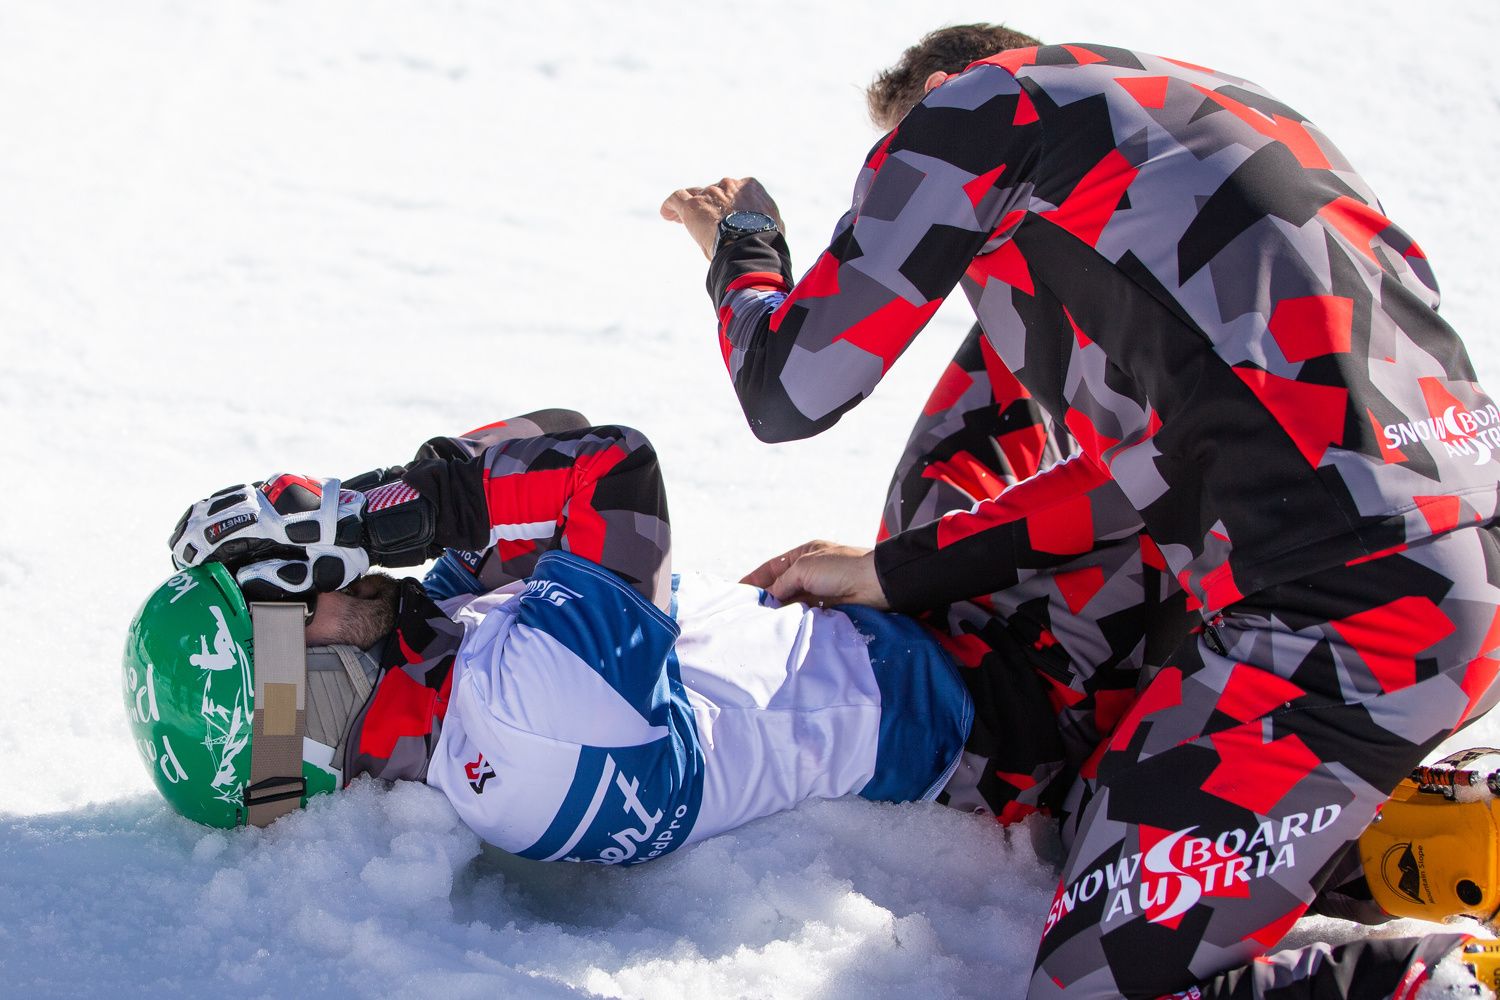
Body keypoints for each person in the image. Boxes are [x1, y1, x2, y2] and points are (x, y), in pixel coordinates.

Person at [660, 23, 1500, 1000]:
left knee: (1093, 986)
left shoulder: (976, 108)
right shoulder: (1225, 117)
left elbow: (789, 390)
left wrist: (743, 249)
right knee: (1100, 816)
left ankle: (1444, 981)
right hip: (1446, 567)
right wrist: (895, 569)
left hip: (1325, 606)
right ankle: (1428, 826)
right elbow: (1129, 478)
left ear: (935, 91)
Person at [126, 410, 973, 862]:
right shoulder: (518, 723)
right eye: (292, 594)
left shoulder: (443, 685)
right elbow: (610, 465)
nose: (329, 575)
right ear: (296, 695)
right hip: (980, 687)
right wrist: (372, 519)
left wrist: (371, 503)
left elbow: (544, 430)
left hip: (902, 626)